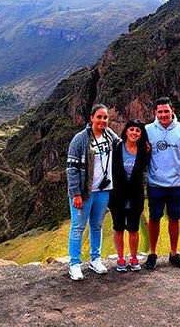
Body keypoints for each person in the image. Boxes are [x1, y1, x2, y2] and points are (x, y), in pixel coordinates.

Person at [144, 96, 180, 270]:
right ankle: (152, 253)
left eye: (166, 111)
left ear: (172, 111)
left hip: (177, 184)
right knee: (154, 218)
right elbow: (139, 155)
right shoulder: (147, 130)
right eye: (160, 112)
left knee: (175, 219)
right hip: (155, 184)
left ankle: (174, 253)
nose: (163, 115)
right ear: (155, 113)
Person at [65, 103, 120, 281]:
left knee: (96, 226)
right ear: (91, 118)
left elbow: (124, 147)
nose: (103, 120)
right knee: (78, 227)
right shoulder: (80, 139)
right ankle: (74, 264)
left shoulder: (109, 135)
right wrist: (76, 194)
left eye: (105, 117)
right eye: (99, 117)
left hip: (103, 190)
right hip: (85, 191)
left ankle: (95, 259)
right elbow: (71, 168)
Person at [109, 119, 151, 272]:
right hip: (117, 195)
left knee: (133, 229)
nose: (134, 133)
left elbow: (146, 168)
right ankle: (120, 258)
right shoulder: (117, 148)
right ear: (126, 131)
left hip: (135, 196)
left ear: (141, 134)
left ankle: (133, 258)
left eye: (138, 131)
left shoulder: (143, 151)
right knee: (118, 228)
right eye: (132, 129)